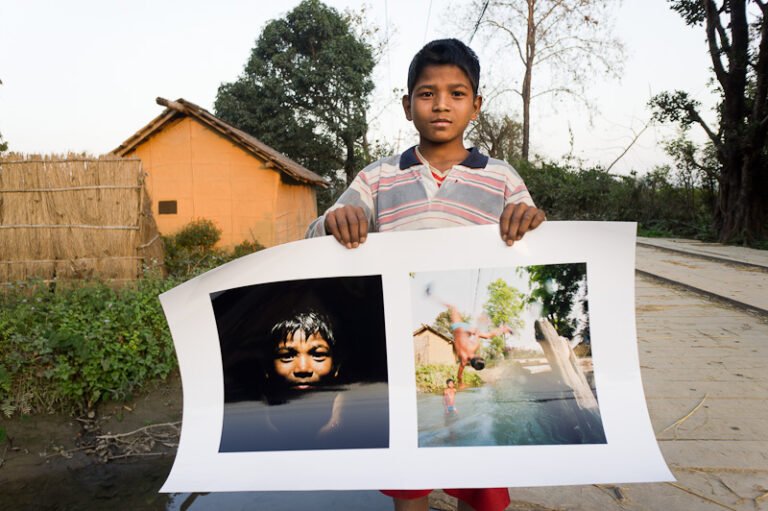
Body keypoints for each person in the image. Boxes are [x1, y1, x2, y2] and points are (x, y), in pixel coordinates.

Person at [306, 38, 545, 511]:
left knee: (482, 484)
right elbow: (316, 236)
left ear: (476, 105)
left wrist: (531, 222)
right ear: (407, 105)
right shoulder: (376, 178)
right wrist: (334, 222)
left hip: (454, 312)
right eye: (427, 93)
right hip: (395, 352)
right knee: (408, 480)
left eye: (457, 93)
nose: (441, 105)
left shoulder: (502, 178)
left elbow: (532, 237)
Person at [448, 304, 512, 388]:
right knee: (453, 307)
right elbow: (459, 376)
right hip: (456, 328)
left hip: (464, 329)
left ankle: (503, 329)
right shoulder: (463, 361)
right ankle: (503, 329)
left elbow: (477, 333)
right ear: (471, 365)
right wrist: (460, 383)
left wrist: (474, 331)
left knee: (487, 336)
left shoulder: (474, 347)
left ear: (478, 356)